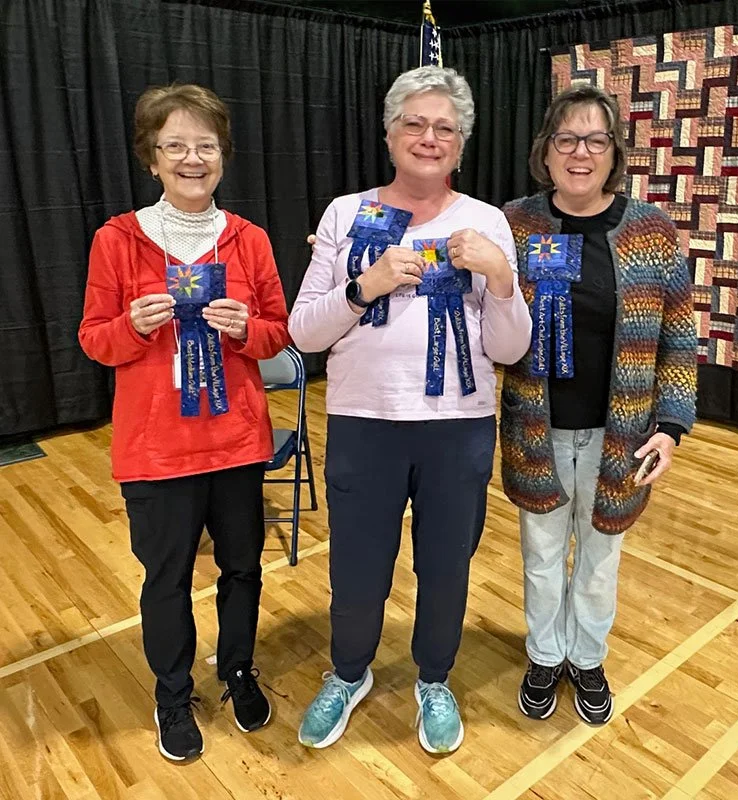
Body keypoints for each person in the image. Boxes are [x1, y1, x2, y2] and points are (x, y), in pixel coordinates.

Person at [289, 66, 531, 754]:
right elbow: (303, 331)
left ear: (461, 143)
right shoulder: (346, 213)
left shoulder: (487, 222)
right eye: (415, 124)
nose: (429, 137)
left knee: (447, 564)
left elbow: (509, 347)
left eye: (445, 128)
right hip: (365, 423)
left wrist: (503, 278)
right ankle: (348, 673)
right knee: (358, 565)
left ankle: (434, 679)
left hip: (458, 429)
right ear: (390, 132)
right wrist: (363, 287)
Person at [79, 84, 290, 761]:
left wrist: (247, 329)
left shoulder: (249, 241)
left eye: (205, 145)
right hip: (157, 450)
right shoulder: (118, 240)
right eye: (176, 145)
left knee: (242, 569)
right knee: (165, 580)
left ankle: (236, 669)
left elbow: (278, 334)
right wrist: (131, 327)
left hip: (235, 442)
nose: (192, 157)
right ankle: (173, 693)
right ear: (152, 157)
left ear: (222, 156)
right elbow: (93, 339)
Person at [500, 84, 697, 725]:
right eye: (567, 138)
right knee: (541, 556)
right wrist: (349, 258)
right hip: (539, 429)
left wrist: (670, 426)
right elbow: (462, 291)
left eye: (596, 139)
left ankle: (587, 659)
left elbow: (678, 336)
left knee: (600, 556)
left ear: (614, 153)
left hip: (623, 435)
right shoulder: (513, 224)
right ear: (546, 152)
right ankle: (543, 654)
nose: (580, 152)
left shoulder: (652, 232)